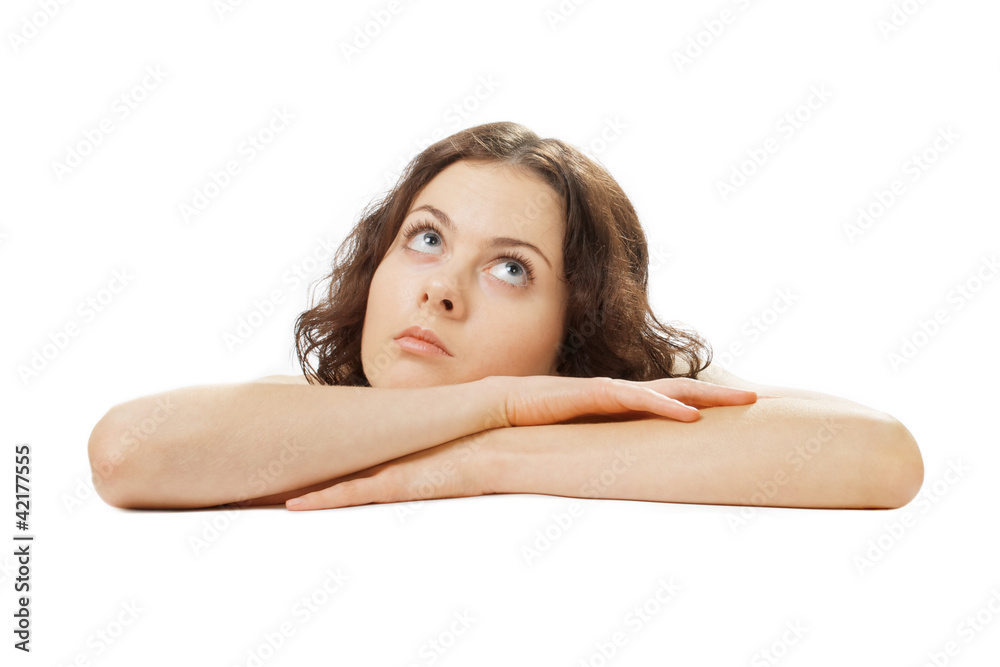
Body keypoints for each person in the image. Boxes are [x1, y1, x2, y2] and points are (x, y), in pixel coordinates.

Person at [87, 122, 924, 512]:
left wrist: (488, 454)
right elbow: (126, 452)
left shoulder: (634, 400)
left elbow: (881, 454)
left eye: (511, 267)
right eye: (426, 238)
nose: (440, 290)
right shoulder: (306, 412)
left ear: (577, 325)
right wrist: (498, 401)